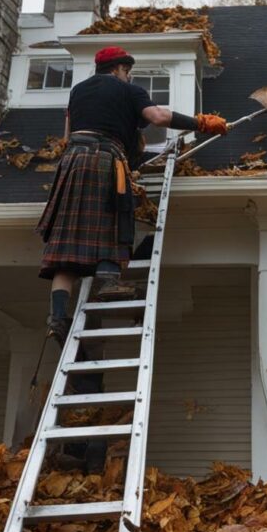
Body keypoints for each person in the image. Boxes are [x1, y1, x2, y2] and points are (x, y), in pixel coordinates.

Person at [37, 45, 228, 344]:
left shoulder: (77, 92)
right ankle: (107, 285)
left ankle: (57, 318)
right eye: (128, 71)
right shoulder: (128, 89)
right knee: (115, 220)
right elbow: (157, 116)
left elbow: (67, 134)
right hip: (104, 159)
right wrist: (200, 123)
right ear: (119, 69)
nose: (128, 75)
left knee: (65, 256)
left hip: (73, 161)